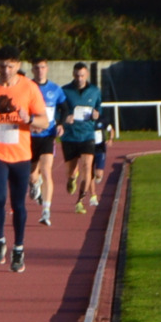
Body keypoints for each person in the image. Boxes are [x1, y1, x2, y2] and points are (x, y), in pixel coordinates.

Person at [0, 46, 48, 273]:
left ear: (19, 65)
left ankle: (19, 248)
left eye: (10, 65)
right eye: (2, 65)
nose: (6, 70)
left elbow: (44, 121)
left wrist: (30, 118)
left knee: (18, 204)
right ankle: (0, 239)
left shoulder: (29, 88)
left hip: (21, 154)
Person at [27, 56, 66, 226]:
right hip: (29, 137)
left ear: (47, 68)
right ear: (32, 70)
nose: (40, 70)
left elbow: (65, 108)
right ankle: (35, 184)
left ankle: (46, 211)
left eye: (42, 67)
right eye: (36, 67)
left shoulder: (55, 89)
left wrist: (61, 124)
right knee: (32, 175)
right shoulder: (27, 88)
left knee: (46, 170)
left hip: (48, 135)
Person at [61, 62, 103, 212]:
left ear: (87, 76)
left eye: (82, 75)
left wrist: (97, 114)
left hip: (87, 135)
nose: (79, 78)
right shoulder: (65, 91)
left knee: (87, 167)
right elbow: (58, 111)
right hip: (70, 136)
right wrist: (65, 119)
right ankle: (72, 178)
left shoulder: (94, 91)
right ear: (73, 75)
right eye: (77, 75)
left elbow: (99, 109)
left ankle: (80, 200)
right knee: (72, 172)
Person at [92, 122, 115, 190]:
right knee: (88, 170)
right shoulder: (87, 119)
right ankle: (91, 187)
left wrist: (111, 139)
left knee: (98, 174)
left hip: (100, 148)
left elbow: (111, 130)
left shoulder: (102, 120)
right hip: (89, 148)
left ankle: (97, 176)